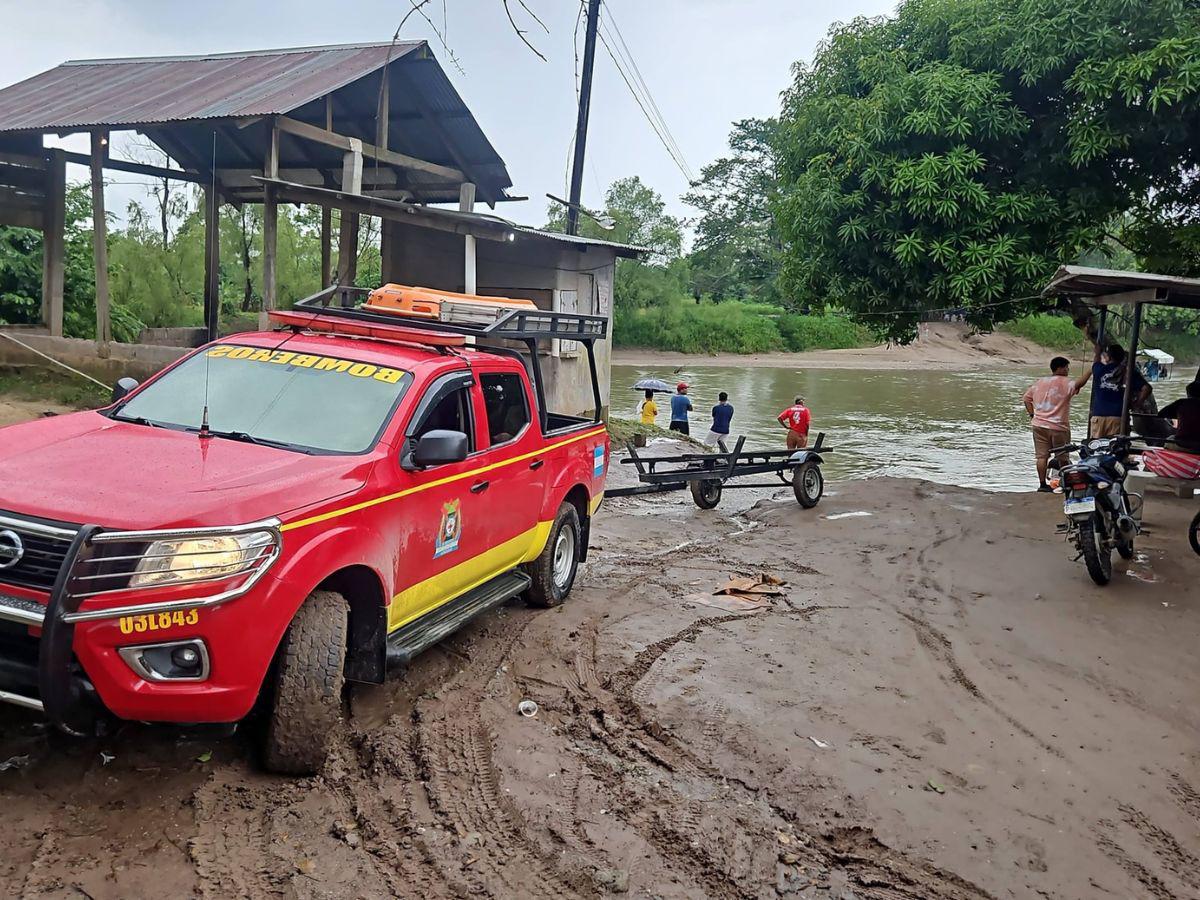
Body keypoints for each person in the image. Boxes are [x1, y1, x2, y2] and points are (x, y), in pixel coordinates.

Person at [1023, 356, 1092, 492]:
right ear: (1060, 368)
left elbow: (1026, 399)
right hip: (1059, 427)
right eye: (1066, 367)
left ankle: (1042, 485)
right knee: (1063, 457)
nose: (1067, 370)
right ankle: (1066, 483)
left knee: (1041, 457)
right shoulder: (1067, 383)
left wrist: (1032, 415)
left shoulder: (1039, 382)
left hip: (1038, 425)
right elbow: (1079, 384)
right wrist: (1090, 371)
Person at [1090, 342, 1151, 438]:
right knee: (1116, 447)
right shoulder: (1128, 372)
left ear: (1108, 357)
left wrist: (1098, 353)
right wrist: (1137, 404)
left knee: (1096, 447)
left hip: (1098, 416)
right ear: (1123, 358)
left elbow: (1096, 362)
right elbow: (1146, 388)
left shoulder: (1099, 369)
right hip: (1118, 416)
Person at [1142, 380, 1200, 479]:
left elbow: (1161, 414)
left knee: (1169, 439)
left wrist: (1179, 413)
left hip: (1182, 444)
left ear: (1188, 394)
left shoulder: (1182, 403)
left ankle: (1166, 468)